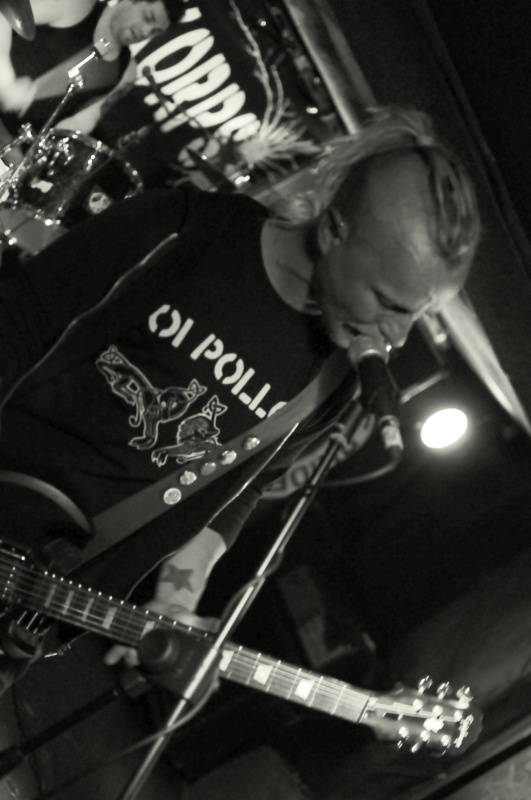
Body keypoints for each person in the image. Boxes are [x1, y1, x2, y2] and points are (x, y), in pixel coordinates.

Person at [0, 105, 480, 683]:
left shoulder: (333, 382)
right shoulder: (177, 232)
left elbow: (236, 491)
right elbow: (16, 325)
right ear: (333, 231)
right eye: (389, 302)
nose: (398, 335)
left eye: (417, 315)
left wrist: (179, 597)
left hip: (35, 600)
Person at [0, 0, 184, 143]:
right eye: (148, 17)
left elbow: (85, 120)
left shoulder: (127, 72)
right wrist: (7, 82)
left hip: (14, 141)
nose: (146, 31)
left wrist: (58, 141)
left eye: (155, 31)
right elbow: (4, 13)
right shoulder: (78, 6)